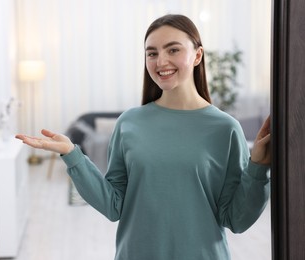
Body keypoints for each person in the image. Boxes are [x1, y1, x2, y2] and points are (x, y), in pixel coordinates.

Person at [16, 14, 271, 260]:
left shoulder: (225, 129)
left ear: (197, 55)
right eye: (152, 53)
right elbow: (113, 205)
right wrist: (73, 155)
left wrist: (258, 167)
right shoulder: (129, 123)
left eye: (173, 50)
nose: (160, 62)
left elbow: (236, 219)